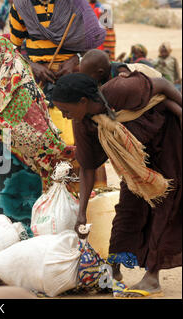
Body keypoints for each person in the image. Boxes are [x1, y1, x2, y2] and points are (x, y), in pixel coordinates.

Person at [52, 72, 182, 298]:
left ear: (83, 101)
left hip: (168, 141)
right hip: (135, 161)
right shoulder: (83, 123)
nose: (64, 115)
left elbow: (161, 84)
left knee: (164, 207)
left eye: (66, 110)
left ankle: (152, 278)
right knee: (128, 209)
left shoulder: (119, 90)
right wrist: (81, 213)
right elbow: (87, 167)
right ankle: (114, 270)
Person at [0, 36, 75, 235]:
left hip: (25, 163)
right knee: (4, 213)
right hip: (5, 160)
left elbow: (4, 117)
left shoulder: (19, 85)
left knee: (21, 210)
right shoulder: (1, 84)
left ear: (4, 57)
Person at [9, 0, 105, 148]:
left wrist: (75, 60)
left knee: (81, 144)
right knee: (46, 145)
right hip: (39, 81)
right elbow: (13, 49)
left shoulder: (76, 4)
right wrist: (32, 65)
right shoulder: (20, 7)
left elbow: (92, 41)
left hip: (75, 78)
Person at [80, 49, 163, 85]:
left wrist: (126, 76)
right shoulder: (101, 77)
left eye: (88, 76)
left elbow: (132, 77)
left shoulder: (119, 70)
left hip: (152, 79)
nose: (86, 79)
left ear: (100, 72)